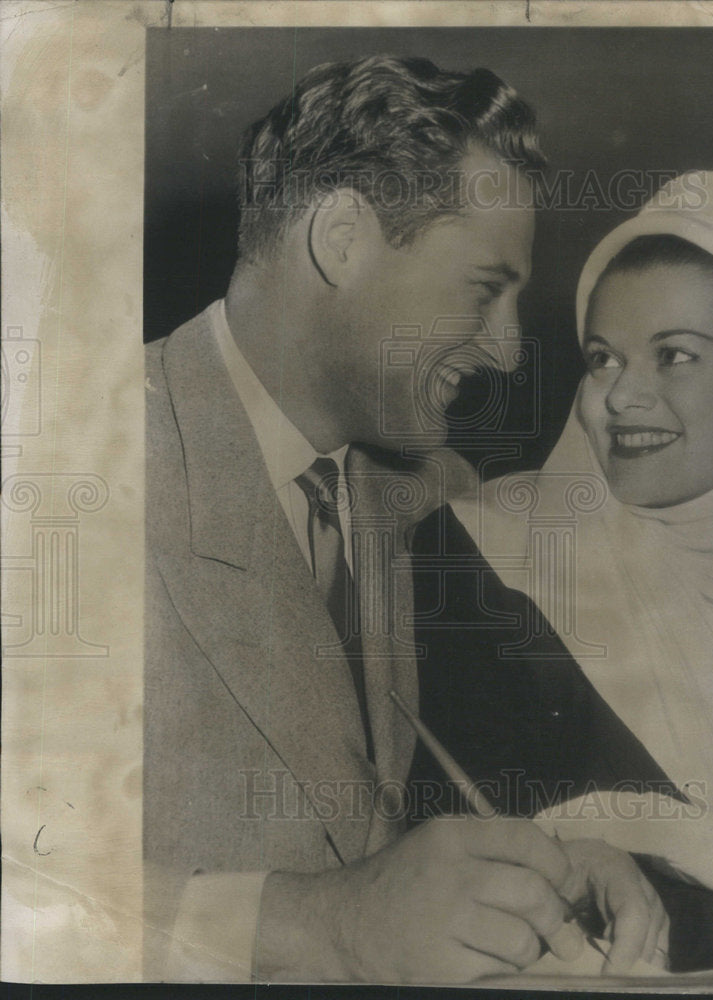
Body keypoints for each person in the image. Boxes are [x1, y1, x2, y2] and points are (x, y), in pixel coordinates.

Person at [144, 54, 667, 984]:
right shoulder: (64, 457)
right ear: (342, 237)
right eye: (482, 289)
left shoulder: (433, 491)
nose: (509, 351)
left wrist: (550, 866)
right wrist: (317, 926)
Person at [410, 171, 713, 970]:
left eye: (674, 356)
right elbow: (480, 885)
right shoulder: (484, 555)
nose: (618, 397)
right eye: (604, 359)